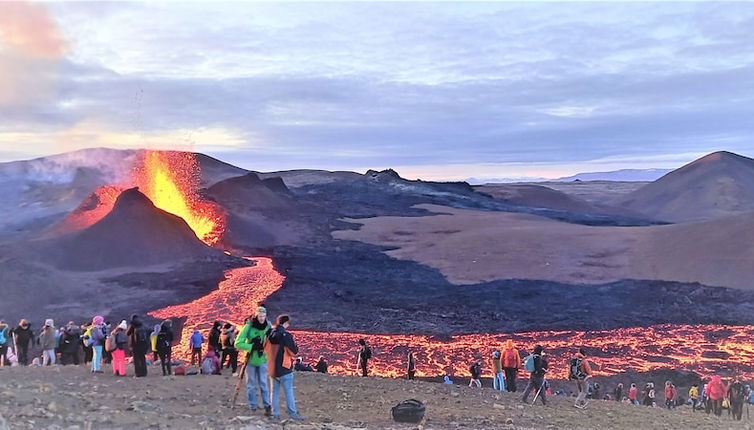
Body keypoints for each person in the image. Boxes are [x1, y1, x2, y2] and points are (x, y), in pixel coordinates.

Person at [235, 306, 272, 415]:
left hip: (262, 359)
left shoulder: (268, 326)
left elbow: (271, 340)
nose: (262, 319)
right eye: (260, 316)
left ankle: (267, 406)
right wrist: (251, 346)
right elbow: (237, 343)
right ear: (256, 315)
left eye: (263, 316)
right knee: (251, 384)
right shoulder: (249, 326)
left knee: (263, 383)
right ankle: (253, 406)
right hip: (250, 360)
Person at [266, 314, 304, 421]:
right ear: (286, 323)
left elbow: (265, 348)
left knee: (274, 392)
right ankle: (293, 413)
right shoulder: (285, 335)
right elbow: (293, 351)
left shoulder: (270, 333)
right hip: (284, 368)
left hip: (272, 367)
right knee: (288, 391)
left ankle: (275, 414)